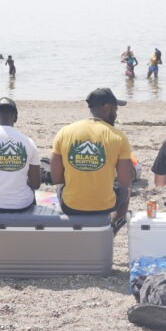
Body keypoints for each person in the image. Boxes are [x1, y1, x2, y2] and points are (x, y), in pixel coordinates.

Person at [51, 88, 133, 229]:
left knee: (61, 187)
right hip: (105, 206)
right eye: (115, 109)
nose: (116, 114)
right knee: (126, 191)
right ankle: (114, 223)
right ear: (107, 108)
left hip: (70, 206)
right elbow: (126, 181)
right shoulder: (119, 137)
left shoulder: (64, 132)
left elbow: (56, 178)